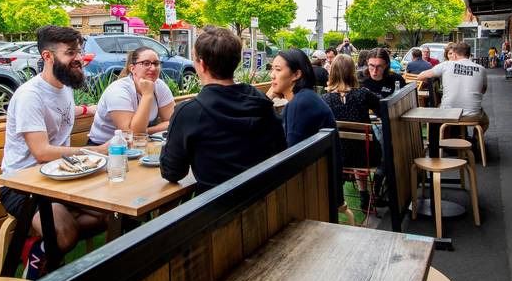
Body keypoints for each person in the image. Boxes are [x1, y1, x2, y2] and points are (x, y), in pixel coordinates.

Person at [0, 26, 105, 279]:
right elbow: (42, 152)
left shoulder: (64, 86)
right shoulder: (29, 96)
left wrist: (85, 110)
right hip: (22, 184)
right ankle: (39, 253)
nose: (79, 58)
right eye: (70, 53)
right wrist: (95, 151)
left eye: (78, 51)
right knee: (65, 233)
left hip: (59, 178)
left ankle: (46, 247)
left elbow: (60, 115)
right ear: (48, 57)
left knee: (109, 216)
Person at [160, 27, 286, 193]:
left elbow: (172, 172)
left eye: (194, 59)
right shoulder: (259, 100)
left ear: (202, 65)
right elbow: (281, 148)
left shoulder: (189, 112)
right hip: (265, 202)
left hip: (218, 212)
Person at [267, 48, 343, 206]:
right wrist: (268, 98)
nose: (272, 75)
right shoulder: (305, 98)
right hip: (324, 184)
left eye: (278, 69)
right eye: (272, 69)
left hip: (317, 193)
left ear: (296, 75)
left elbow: (291, 159)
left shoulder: (299, 105)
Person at [322, 55, 383, 209]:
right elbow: (383, 110)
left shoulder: (324, 99)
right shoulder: (363, 94)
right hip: (367, 157)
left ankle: (339, 191)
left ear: (332, 73)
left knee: (348, 146)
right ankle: (365, 195)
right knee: (365, 146)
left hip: (338, 157)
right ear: (352, 72)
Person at [88, 47, 175, 145]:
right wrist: (147, 95)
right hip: (104, 149)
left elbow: (173, 121)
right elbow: (132, 135)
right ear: (132, 68)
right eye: (146, 63)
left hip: (144, 143)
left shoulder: (159, 86)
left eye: (156, 63)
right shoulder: (118, 90)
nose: (153, 68)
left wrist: (147, 131)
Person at [418, 42, 489, 133]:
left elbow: (421, 76)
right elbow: (483, 90)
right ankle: (476, 139)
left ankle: (445, 142)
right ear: (469, 55)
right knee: (485, 122)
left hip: (448, 114)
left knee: (444, 110)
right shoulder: (481, 69)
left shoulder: (446, 65)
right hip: (472, 115)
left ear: (454, 54)